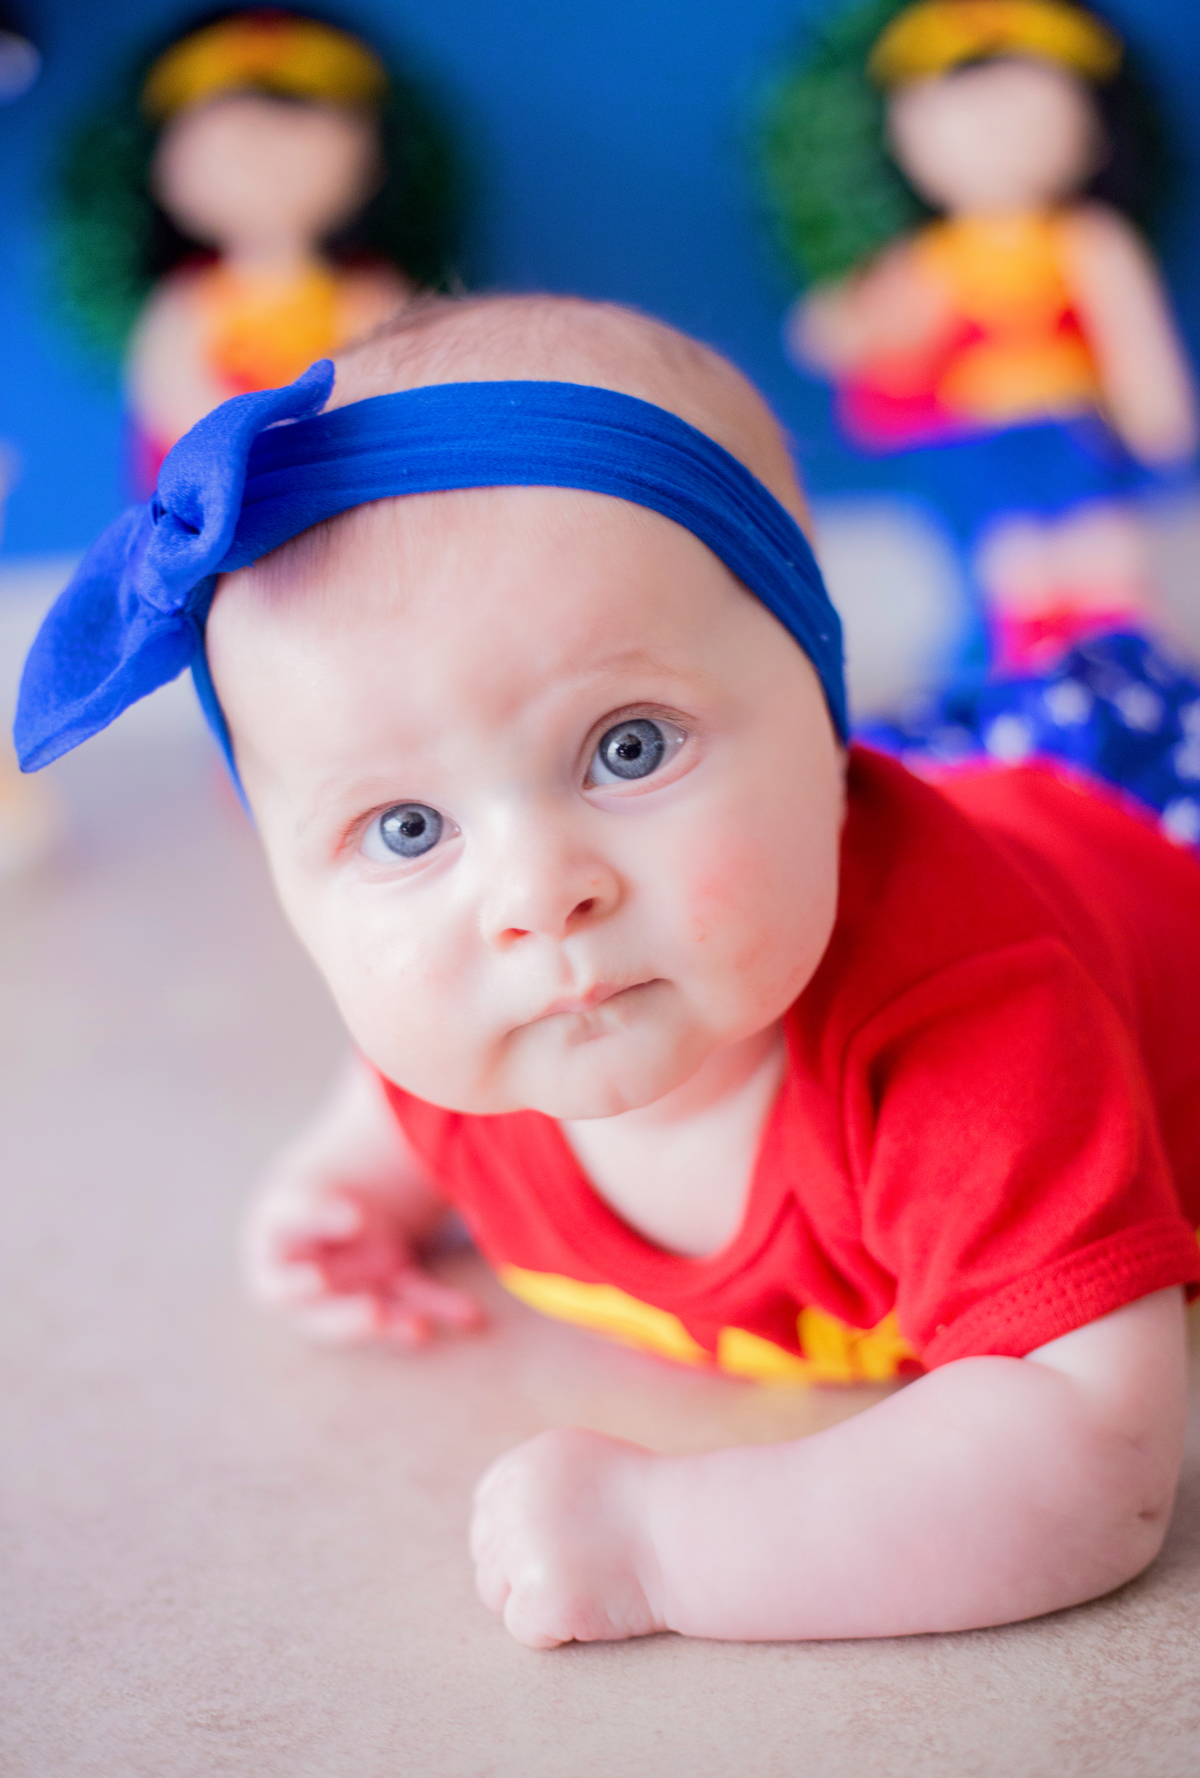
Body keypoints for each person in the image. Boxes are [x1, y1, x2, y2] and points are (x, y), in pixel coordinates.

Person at [15, 294, 1200, 1649]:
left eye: (629, 748)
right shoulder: (498, 1003)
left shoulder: (967, 1030)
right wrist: (356, 1173)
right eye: (406, 831)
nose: (535, 895)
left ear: (826, 724)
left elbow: (1091, 1456)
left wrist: (668, 1547)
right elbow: (400, 1074)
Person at [766, 0, 1198, 671]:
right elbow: (838, 333)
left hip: (1074, 432)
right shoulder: (935, 260)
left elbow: (1135, 342)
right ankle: (1020, 683)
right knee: (1006, 578)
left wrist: (1159, 416)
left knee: (1104, 560)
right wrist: (845, 323)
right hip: (977, 445)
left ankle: (1125, 675)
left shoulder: (1087, 241)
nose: (995, 134)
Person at [54, 6, 461, 491]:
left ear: (373, 166)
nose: (264, 161)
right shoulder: (187, 305)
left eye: (297, 138)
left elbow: (400, 392)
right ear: (163, 176)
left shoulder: (370, 293)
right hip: (228, 512)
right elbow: (174, 397)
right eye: (230, 144)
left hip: (348, 499)